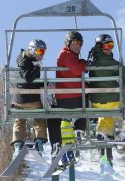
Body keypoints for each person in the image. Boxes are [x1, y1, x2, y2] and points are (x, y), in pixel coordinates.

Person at [88, 34, 125, 164]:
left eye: (111, 45)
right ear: (100, 46)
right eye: (106, 45)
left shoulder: (91, 63)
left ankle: (103, 133)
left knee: (106, 113)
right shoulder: (113, 64)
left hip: (95, 103)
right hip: (112, 101)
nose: (109, 48)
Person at [47, 31, 88, 166]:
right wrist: (84, 63)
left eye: (80, 43)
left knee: (54, 118)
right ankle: (78, 129)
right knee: (55, 117)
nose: (78, 46)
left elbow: (75, 73)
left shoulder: (70, 56)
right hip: (70, 97)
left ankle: (58, 145)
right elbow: (77, 70)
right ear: (68, 43)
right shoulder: (66, 55)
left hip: (67, 97)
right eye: (76, 43)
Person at [11, 39, 48, 160]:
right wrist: (37, 69)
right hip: (30, 100)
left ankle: (18, 143)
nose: (41, 54)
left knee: (19, 120)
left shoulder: (25, 59)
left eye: (44, 51)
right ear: (32, 50)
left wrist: (43, 83)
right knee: (40, 118)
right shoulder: (26, 61)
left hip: (18, 100)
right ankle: (39, 142)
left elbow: (30, 80)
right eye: (39, 51)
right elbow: (28, 77)